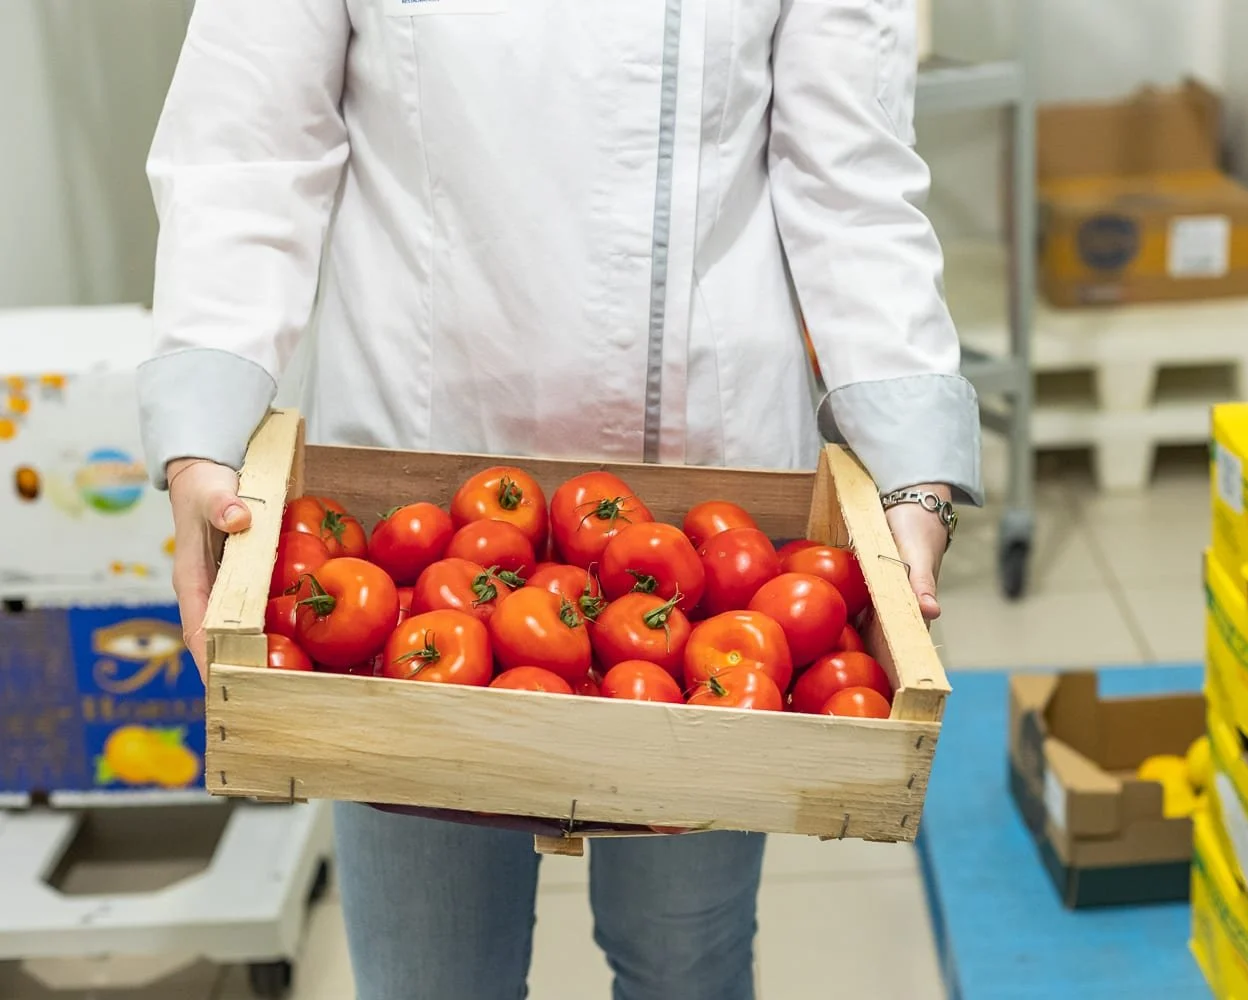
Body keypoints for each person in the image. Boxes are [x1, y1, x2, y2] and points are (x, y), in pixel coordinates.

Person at [142, 1, 981, 997]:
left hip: (705, 540)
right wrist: (203, 423)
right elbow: (249, 144)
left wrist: (912, 465)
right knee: (430, 975)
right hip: (415, 522)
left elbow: (852, 183)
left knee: (688, 961)